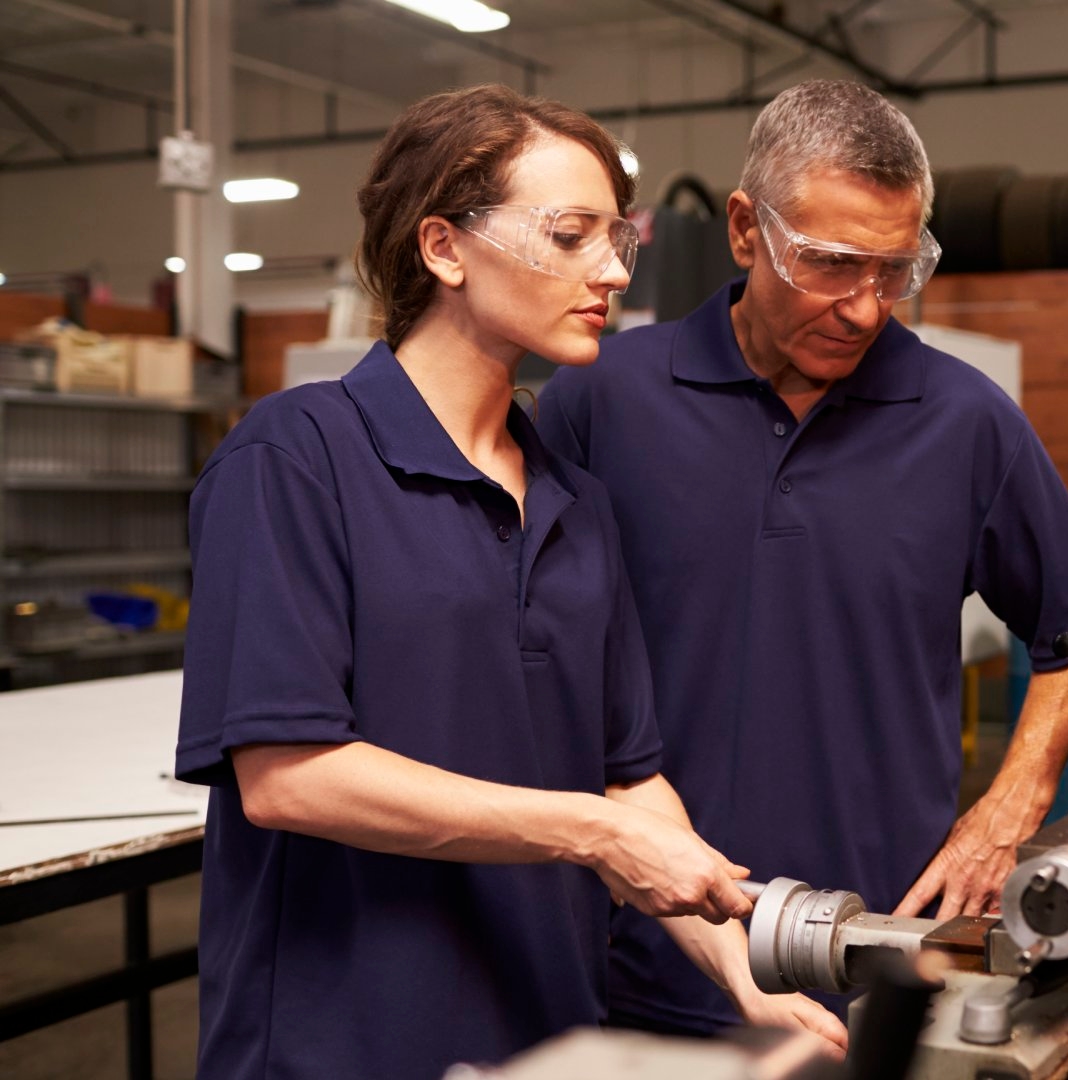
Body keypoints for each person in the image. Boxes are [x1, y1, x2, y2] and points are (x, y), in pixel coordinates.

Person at [175, 84, 843, 1079]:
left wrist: (742, 967)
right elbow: (286, 777)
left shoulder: (575, 500)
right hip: (341, 1042)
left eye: (620, 239)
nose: (612, 269)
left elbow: (628, 773)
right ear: (444, 248)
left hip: (545, 1032)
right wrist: (592, 833)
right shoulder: (297, 456)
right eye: (572, 235)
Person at [537, 79, 1068, 1036]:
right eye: (831, 265)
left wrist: (1012, 802)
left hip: (884, 949)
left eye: (893, 271)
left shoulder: (966, 422)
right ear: (742, 230)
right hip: (646, 955)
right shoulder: (602, 403)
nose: (863, 308)